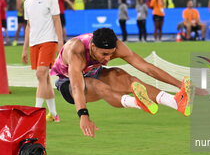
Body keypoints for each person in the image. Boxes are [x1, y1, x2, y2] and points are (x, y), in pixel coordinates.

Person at [50, 28, 196, 138]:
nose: (108, 59)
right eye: (104, 54)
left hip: (94, 73)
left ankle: (176, 102)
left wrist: (179, 84)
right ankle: (137, 102)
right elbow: (76, 86)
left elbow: (146, 67)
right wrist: (83, 115)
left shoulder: (116, 46)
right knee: (98, 86)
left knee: (129, 80)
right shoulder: (76, 50)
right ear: (93, 47)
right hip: (68, 83)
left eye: (111, 54)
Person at [22, 0, 63, 122]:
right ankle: (54, 114)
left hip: (48, 41)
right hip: (34, 43)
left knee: (40, 75)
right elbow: (28, 26)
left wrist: (60, 42)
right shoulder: (26, 3)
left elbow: (57, 20)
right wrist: (24, 48)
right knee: (44, 79)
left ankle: (36, 113)